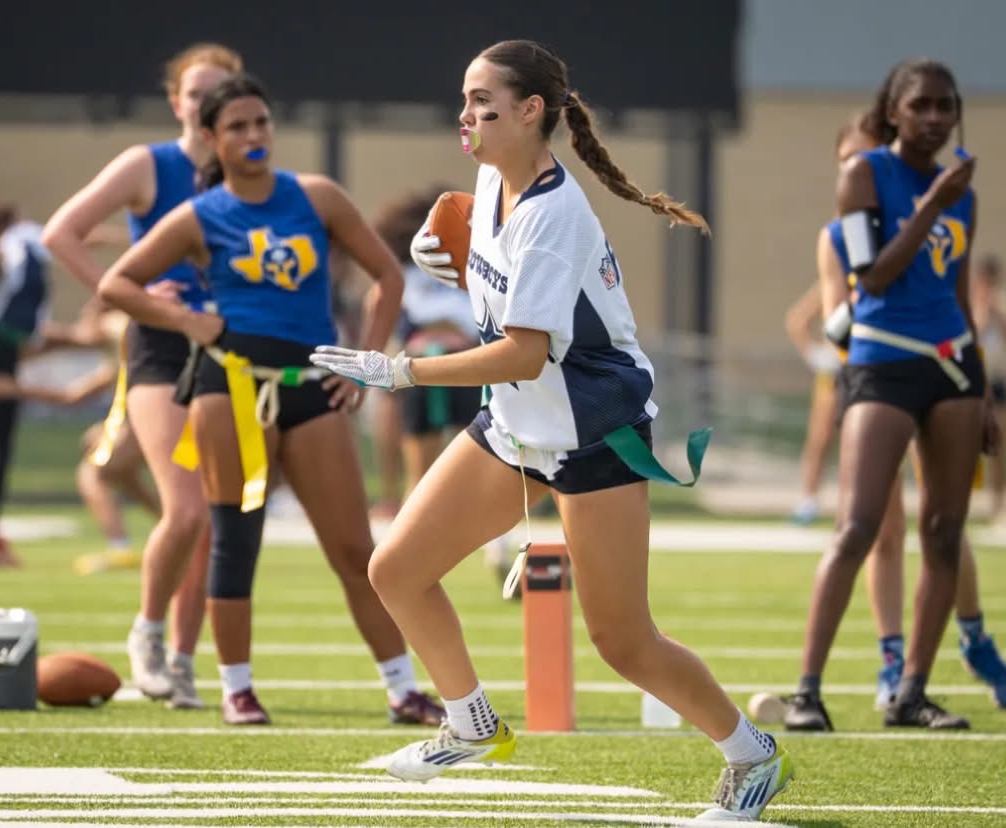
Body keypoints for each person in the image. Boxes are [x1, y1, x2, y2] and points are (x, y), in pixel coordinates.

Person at [310, 40, 792, 821]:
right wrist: (453, 259)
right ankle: (470, 724)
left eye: (483, 103)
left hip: (595, 432)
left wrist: (398, 371)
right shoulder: (491, 180)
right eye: (465, 100)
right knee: (395, 568)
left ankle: (752, 754)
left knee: (623, 641)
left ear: (532, 111)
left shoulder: (556, 213)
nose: (464, 116)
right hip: (517, 425)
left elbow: (526, 353)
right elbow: (510, 301)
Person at [96, 72, 445, 728]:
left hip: (312, 386)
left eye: (261, 123)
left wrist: (367, 366)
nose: (253, 136)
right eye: (236, 127)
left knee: (354, 549)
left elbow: (388, 277)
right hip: (228, 387)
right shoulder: (197, 215)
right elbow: (119, 285)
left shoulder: (315, 197)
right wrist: (185, 322)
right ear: (210, 139)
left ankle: (403, 690)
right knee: (235, 539)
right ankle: (237, 689)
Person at [785, 59, 998, 732]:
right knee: (858, 526)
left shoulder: (964, 192)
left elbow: (958, 293)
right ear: (896, 111)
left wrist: (982, 386)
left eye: (947, 106)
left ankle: (911, 693)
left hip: (952, 365)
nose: (936, 118)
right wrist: (931, 201)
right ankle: (807, 693)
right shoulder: (865, 175)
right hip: (882, 362)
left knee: (944, 533)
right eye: (923, 106)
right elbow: (870, 277)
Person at [43, 43, 243, 709]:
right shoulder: (147, 164)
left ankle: (183, 662)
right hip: (160, 347)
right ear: (177, 101)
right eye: (197, 92)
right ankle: (148, 634)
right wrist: (129, 294)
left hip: (230, 350)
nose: (208, 103)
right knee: (183, 509)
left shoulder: (248, 172)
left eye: (223, 93)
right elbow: (61, 232)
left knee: (215, 521)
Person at [0, 202, 110, 566]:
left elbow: (31, 339)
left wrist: (78, 342)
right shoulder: (21, 236)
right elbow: (71, 234)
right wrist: (127, 237)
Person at [373, 187, 482, 497]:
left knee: (470, 463)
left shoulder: (471, 267)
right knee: (424, 472)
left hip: (458, 362)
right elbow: (381, 306)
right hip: (429, 365)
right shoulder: (406, 270)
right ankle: (401, 508)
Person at [73, 305, 162, 575]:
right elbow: (85, 389)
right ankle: (184, 531)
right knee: (124, 475)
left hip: (151, 414)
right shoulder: (125, 346)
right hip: (158, 413)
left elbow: (88, 334)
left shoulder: (116, 323)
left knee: (93, 473)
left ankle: (119, 548)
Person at [784, 282, 843, 525]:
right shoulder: (830, 285)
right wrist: (816, 355)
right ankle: (808, 500)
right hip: (835, 373)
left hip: (868, 367)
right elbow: (797, 321)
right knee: (820, 437)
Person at [971, 254, 1006, 526]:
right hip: (976, 382)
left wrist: (997, 313)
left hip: (998, 383)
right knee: (965, 447)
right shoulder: (969, 304)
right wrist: (982, 312)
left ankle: (999, 506)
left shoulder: (1004, 304)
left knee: (999, 448)